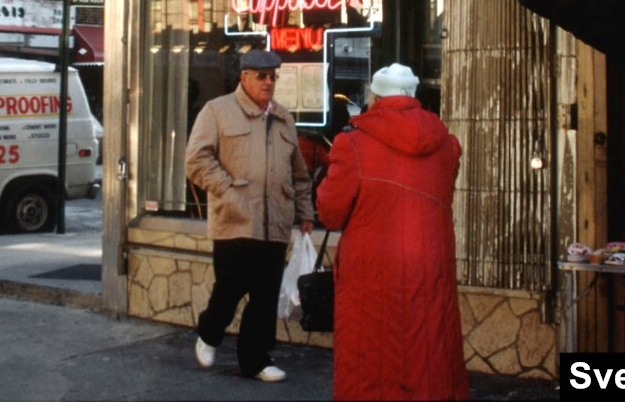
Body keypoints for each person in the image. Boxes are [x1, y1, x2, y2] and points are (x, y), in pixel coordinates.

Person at [315, 63, 468, 401]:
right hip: (430, 267)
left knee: (370, 365)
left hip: (371, 271)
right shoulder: (447, 144)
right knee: (428, 361)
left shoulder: (352, 143)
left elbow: (331, 212)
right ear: (414, 96)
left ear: (375, 96)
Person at [185, 49, 313, 383]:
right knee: (229, 288)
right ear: (244, 77)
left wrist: (305, 213)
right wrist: (228, 189)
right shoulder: (218, 111)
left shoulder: (284, 118)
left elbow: (299, 175)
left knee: (265, 294)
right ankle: (210, 332)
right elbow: (197, 160)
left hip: (276, 222)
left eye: (273, 76)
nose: (269, 82)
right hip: (236, 218)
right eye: (262, 76)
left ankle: (255, 360)